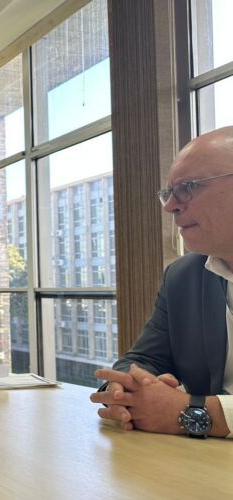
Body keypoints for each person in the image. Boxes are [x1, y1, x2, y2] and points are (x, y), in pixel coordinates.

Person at [90, 126, 233, 439]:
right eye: (169, 193)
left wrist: (192, 412)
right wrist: (124, 392)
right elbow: (143, 360)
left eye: (188, 187)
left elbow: (177, 409)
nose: (170, 206)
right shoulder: (183, 276)